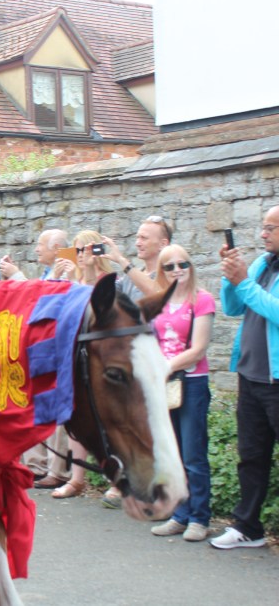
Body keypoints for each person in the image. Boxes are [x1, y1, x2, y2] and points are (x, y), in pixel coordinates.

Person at [212, 206, 279, 550]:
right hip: (251, 376)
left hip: (276, 382)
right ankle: (248, 528)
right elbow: (233, 307)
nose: (262, 233)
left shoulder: (255, 274)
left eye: (270, 228)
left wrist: (244, 282)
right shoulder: (262, 265)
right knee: (251, 456)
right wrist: (230, 277)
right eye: (263, 226)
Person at [50, 230, 128, 505]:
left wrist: (85, 277)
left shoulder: (110, 281)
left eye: (85, 250)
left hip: (101, 359)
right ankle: (77, 478)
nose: (80, 255)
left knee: (107, 421)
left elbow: (101, 313)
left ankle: (117, 481)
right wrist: (63, 280)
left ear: (97, 253)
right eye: (76, 250)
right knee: (77, 419)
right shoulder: (73, 279)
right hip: (75, 357)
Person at [145, 244, 215, 541]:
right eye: (169, 266)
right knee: (171, 453)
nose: (177, 270)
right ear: (161, 272)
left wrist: (165, 367)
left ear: (191, 267)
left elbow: (198, 349)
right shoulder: (159, 301)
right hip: (165, 384)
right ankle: (180, 514)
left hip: (191, 382)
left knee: (193, 454)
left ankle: (199, 517)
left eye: (183, 264)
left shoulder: (202, 299)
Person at [1, 228, 72, 487]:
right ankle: (36, 465)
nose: (36, 249)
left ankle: (56, 470)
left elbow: (42, 298)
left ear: (57, 248)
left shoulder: (68, 269)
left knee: (55, 408)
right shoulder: (50, 270)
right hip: (41, 346)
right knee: (38, 404)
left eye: (41, 244)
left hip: (57, 345)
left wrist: (16, 276)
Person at [104, 214, 172, 301]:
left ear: (163, 244)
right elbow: (103, 294)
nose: (137, 243)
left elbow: (159, 296)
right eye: (138, 237)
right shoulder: (129, 277)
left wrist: (121, 260)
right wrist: (91, 266)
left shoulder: (171, 274)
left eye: (144, 238)